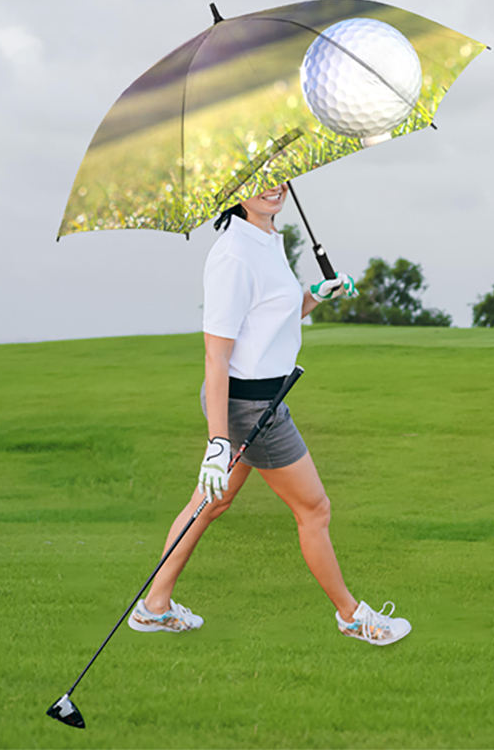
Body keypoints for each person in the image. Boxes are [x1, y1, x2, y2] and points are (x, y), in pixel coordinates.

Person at [128, 182, 411, 646]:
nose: (273, 186)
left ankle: (154, 607)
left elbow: (268, 321)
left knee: (211, 503)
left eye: (278, 175)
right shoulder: (233, 256)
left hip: (256, 401)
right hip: (249, 408)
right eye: (258, 180)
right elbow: (216, 356)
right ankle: (351, 616)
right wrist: (218, 442)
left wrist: (315, 294)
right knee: (314, 509)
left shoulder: (266, 241)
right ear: (234, 192)